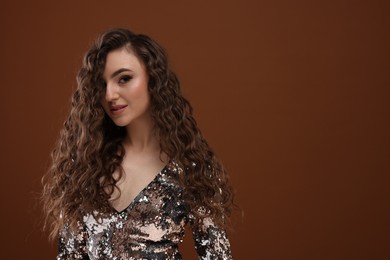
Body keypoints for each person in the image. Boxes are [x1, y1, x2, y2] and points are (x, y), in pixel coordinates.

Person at [41, 28, 234, 259]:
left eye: (124, 79)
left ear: (153, 79)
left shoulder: (190, 170)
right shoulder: (86, 166)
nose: (110, 94)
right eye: (101, 85)